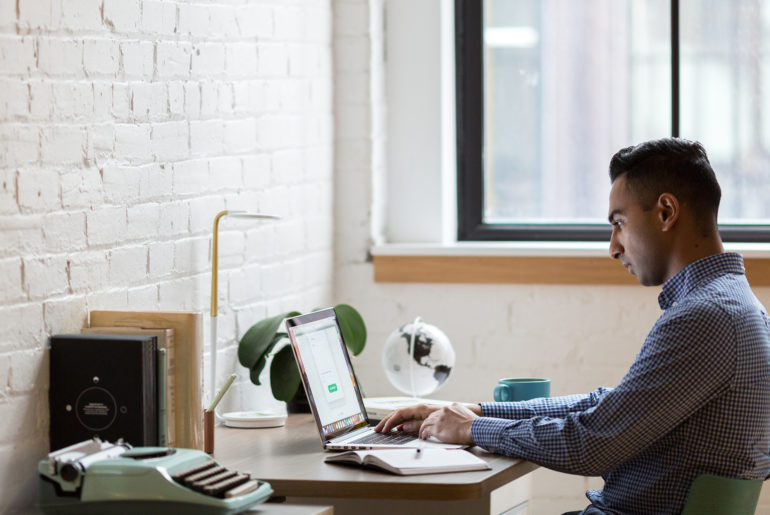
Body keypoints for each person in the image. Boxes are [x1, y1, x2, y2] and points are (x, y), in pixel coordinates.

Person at [374, 138, 770, 514]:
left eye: (619, 223)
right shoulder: (737, 307)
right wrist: (472, 412)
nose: (613, 247)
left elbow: (592, 443)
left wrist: (476, 430)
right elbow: (607, 406)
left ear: (666, 212)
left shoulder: (704, 318)